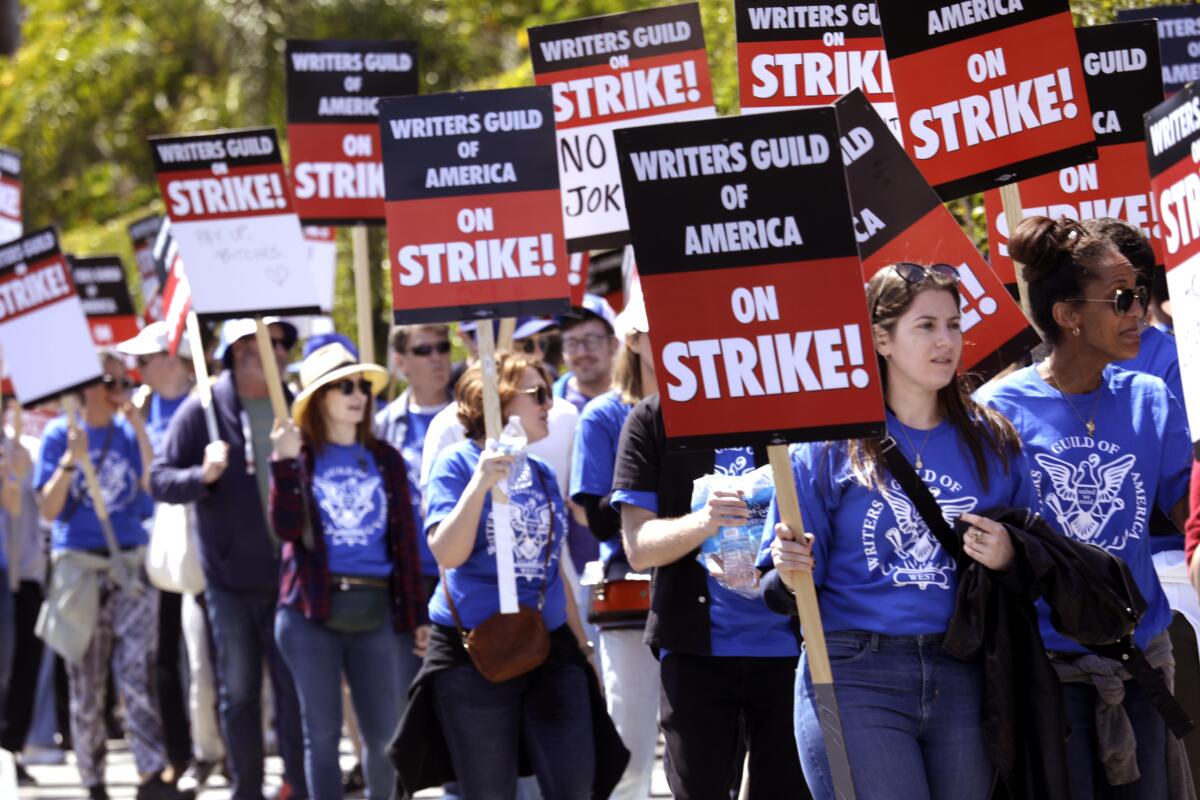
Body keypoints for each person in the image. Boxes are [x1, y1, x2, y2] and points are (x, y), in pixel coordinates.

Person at [759, 263, 1033, 799]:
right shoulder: (826, 443)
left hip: (963, 670)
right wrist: (792, 570)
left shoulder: (994, 440)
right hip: (855, 672)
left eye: (954, 325)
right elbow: (778, 589)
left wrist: (1009, 555)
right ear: (880, 339)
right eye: (926, 326)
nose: (946, 342)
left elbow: (1035, 566)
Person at [978, 217, 1192, 799]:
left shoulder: (1151, 397)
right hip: (1045, 672)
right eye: (1122, 298)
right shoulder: (997, 410)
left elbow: (1185, 508)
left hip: (1141, 658)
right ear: (1069, 315)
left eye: (1141, 295)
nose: (1138, 311)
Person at [390, 351, 626, 798]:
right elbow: (447, 552)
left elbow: (550, 567)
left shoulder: (538, 471)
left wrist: (583, 650)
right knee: (489, 790)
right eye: (537, 393)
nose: (549, 404)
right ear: (495, 400)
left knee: (578, 783)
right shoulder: (458, 464)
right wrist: (480, 485)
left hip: (549, 644)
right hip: (474, 651)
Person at [613, 316, 807, 797]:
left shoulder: (796, 414)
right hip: (695, 653)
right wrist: (706, 522)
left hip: (792, 649)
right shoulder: (653, 419)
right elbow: (637, 548)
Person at [150, 317, 308, 800]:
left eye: (283, 341)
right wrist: (204, 474)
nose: (279, 349)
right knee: (239, 694)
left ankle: (298, 787)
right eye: (269, 340)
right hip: (230, 583)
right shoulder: (204, 410)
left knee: (293, 692)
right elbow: (159, 479)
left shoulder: (296, 404)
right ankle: (247, 789)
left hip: (292, 578)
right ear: (238, 350)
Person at [269, 342, 429, 800]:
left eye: (363, 386)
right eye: (345, 386)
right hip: (309, 610)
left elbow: (406, 544)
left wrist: (416, 614)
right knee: (320, 735)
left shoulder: (386, 458)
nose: (359, 394)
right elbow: (283, 529)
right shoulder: (297, 457)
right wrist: (281, 463)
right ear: (320, 399)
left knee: (384, 736)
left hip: (377, 607)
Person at [35, 353, 185, 800]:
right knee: (86, 677)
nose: (116, 385)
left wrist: (139, 428)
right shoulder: (58, 434)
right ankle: (92, 776)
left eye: (121, 378)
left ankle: (150, 772)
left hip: (128, 566)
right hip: (79, 568)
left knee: (137, 669)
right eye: (106, 379)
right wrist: (69, 460)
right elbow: (47, 509)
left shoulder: (128, 431)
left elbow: (151, 487)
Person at [569, 298, 660, 800]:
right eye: (658, 328)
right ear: (633, 339)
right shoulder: (605, 415)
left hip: (711, 591)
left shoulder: (707, 406)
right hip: (631, 592)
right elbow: (597, 514)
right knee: (630, 737)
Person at [118, 321, 199, 783]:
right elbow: (149, 481)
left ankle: (218, 747)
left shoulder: (202, 401)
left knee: (208, 656)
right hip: (163, 549)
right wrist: (139, 429)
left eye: (143, 360)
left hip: (203, 544)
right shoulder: (142, 412)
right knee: (164, 655)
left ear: (170, 357)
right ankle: (179, 754)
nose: (136, 369)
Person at [375, 323, 454, 596]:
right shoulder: (381, 426)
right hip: (407, 572)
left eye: (443, 347)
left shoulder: (472, 416)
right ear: (400, 362)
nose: (437, 357)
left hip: (463, 567)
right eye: (423, 350)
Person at [1, 409, 44, 787]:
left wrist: (14, 474)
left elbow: (21, 508)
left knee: (19, 667)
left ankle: (9, 750)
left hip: (20, 576)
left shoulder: (22, 449)